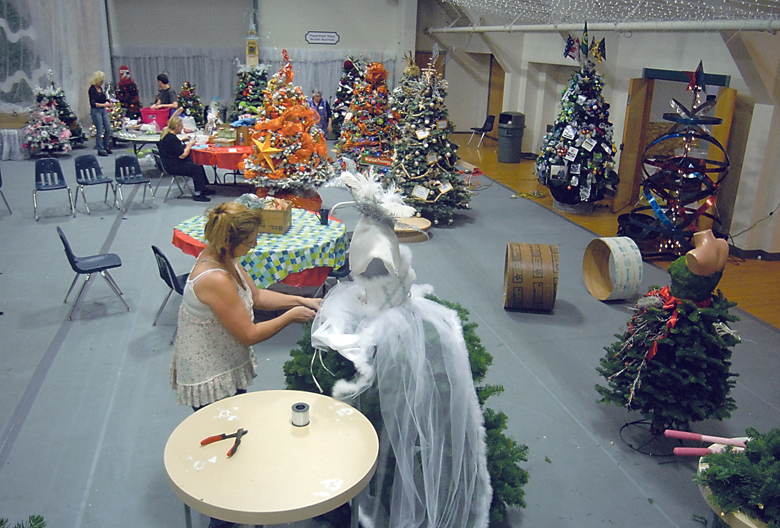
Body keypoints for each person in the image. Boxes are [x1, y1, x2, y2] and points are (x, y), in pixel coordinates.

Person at [171, 203, 321, 528]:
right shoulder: (214, 278)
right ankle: (224, 517)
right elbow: (249, 333)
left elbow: (257, 297)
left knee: (234, 437)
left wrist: (303, 300)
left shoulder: (227, 259)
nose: (254, 245)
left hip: (223, 360)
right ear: (231, 241)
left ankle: (234, 506)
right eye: (250, 240)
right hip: (209, 371)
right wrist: (291, 317)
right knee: (225, 453)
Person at [157, 114, 212, 202]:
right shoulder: (172, 139)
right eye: (181, 126)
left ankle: (204, 188)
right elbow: (182, 155)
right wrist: (190, 144)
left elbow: (174, 147)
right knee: (196, 168)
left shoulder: (167, 136)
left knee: (197, 163)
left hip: (169, 163)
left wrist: (182, 140)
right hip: (172, 166)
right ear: (177, 126)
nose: (182, 128)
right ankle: (198, 194)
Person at [88, 71, 113, 156]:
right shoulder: (92, 90)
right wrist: (105, 104)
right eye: (101, 81)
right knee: (100, 129)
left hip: (103, 110)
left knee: (108, 128)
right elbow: (93, 103)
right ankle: (100, 149)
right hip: (96, 111)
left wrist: (108, 101)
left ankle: (106, 146)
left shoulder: (100, 89)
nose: (102, 83)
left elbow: (102, 99)